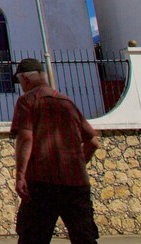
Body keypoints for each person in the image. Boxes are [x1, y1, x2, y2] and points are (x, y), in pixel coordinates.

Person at [11, 58, 101, 244]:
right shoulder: (66, 102)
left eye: (20, 81)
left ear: (25, 79)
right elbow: (93, 141)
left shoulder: (27, 101)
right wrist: (78, 164)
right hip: (76, 183)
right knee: (84, 238)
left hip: (42, 182)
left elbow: (26, 138)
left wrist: (20, 175)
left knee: (33, 237)